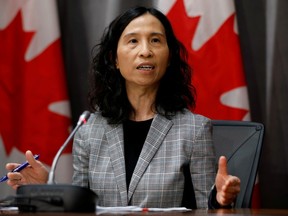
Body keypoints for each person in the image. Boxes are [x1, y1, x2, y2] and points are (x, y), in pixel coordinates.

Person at [5, 6, 240, 209]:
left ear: (168, 58)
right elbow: (79, 209)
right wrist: (47, 187)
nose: (145, 51)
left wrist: (220, 201)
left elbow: (208, 208)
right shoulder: (88, 132)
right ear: (114, 59)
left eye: (156, 40)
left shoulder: (195, 129)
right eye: (133, 41)